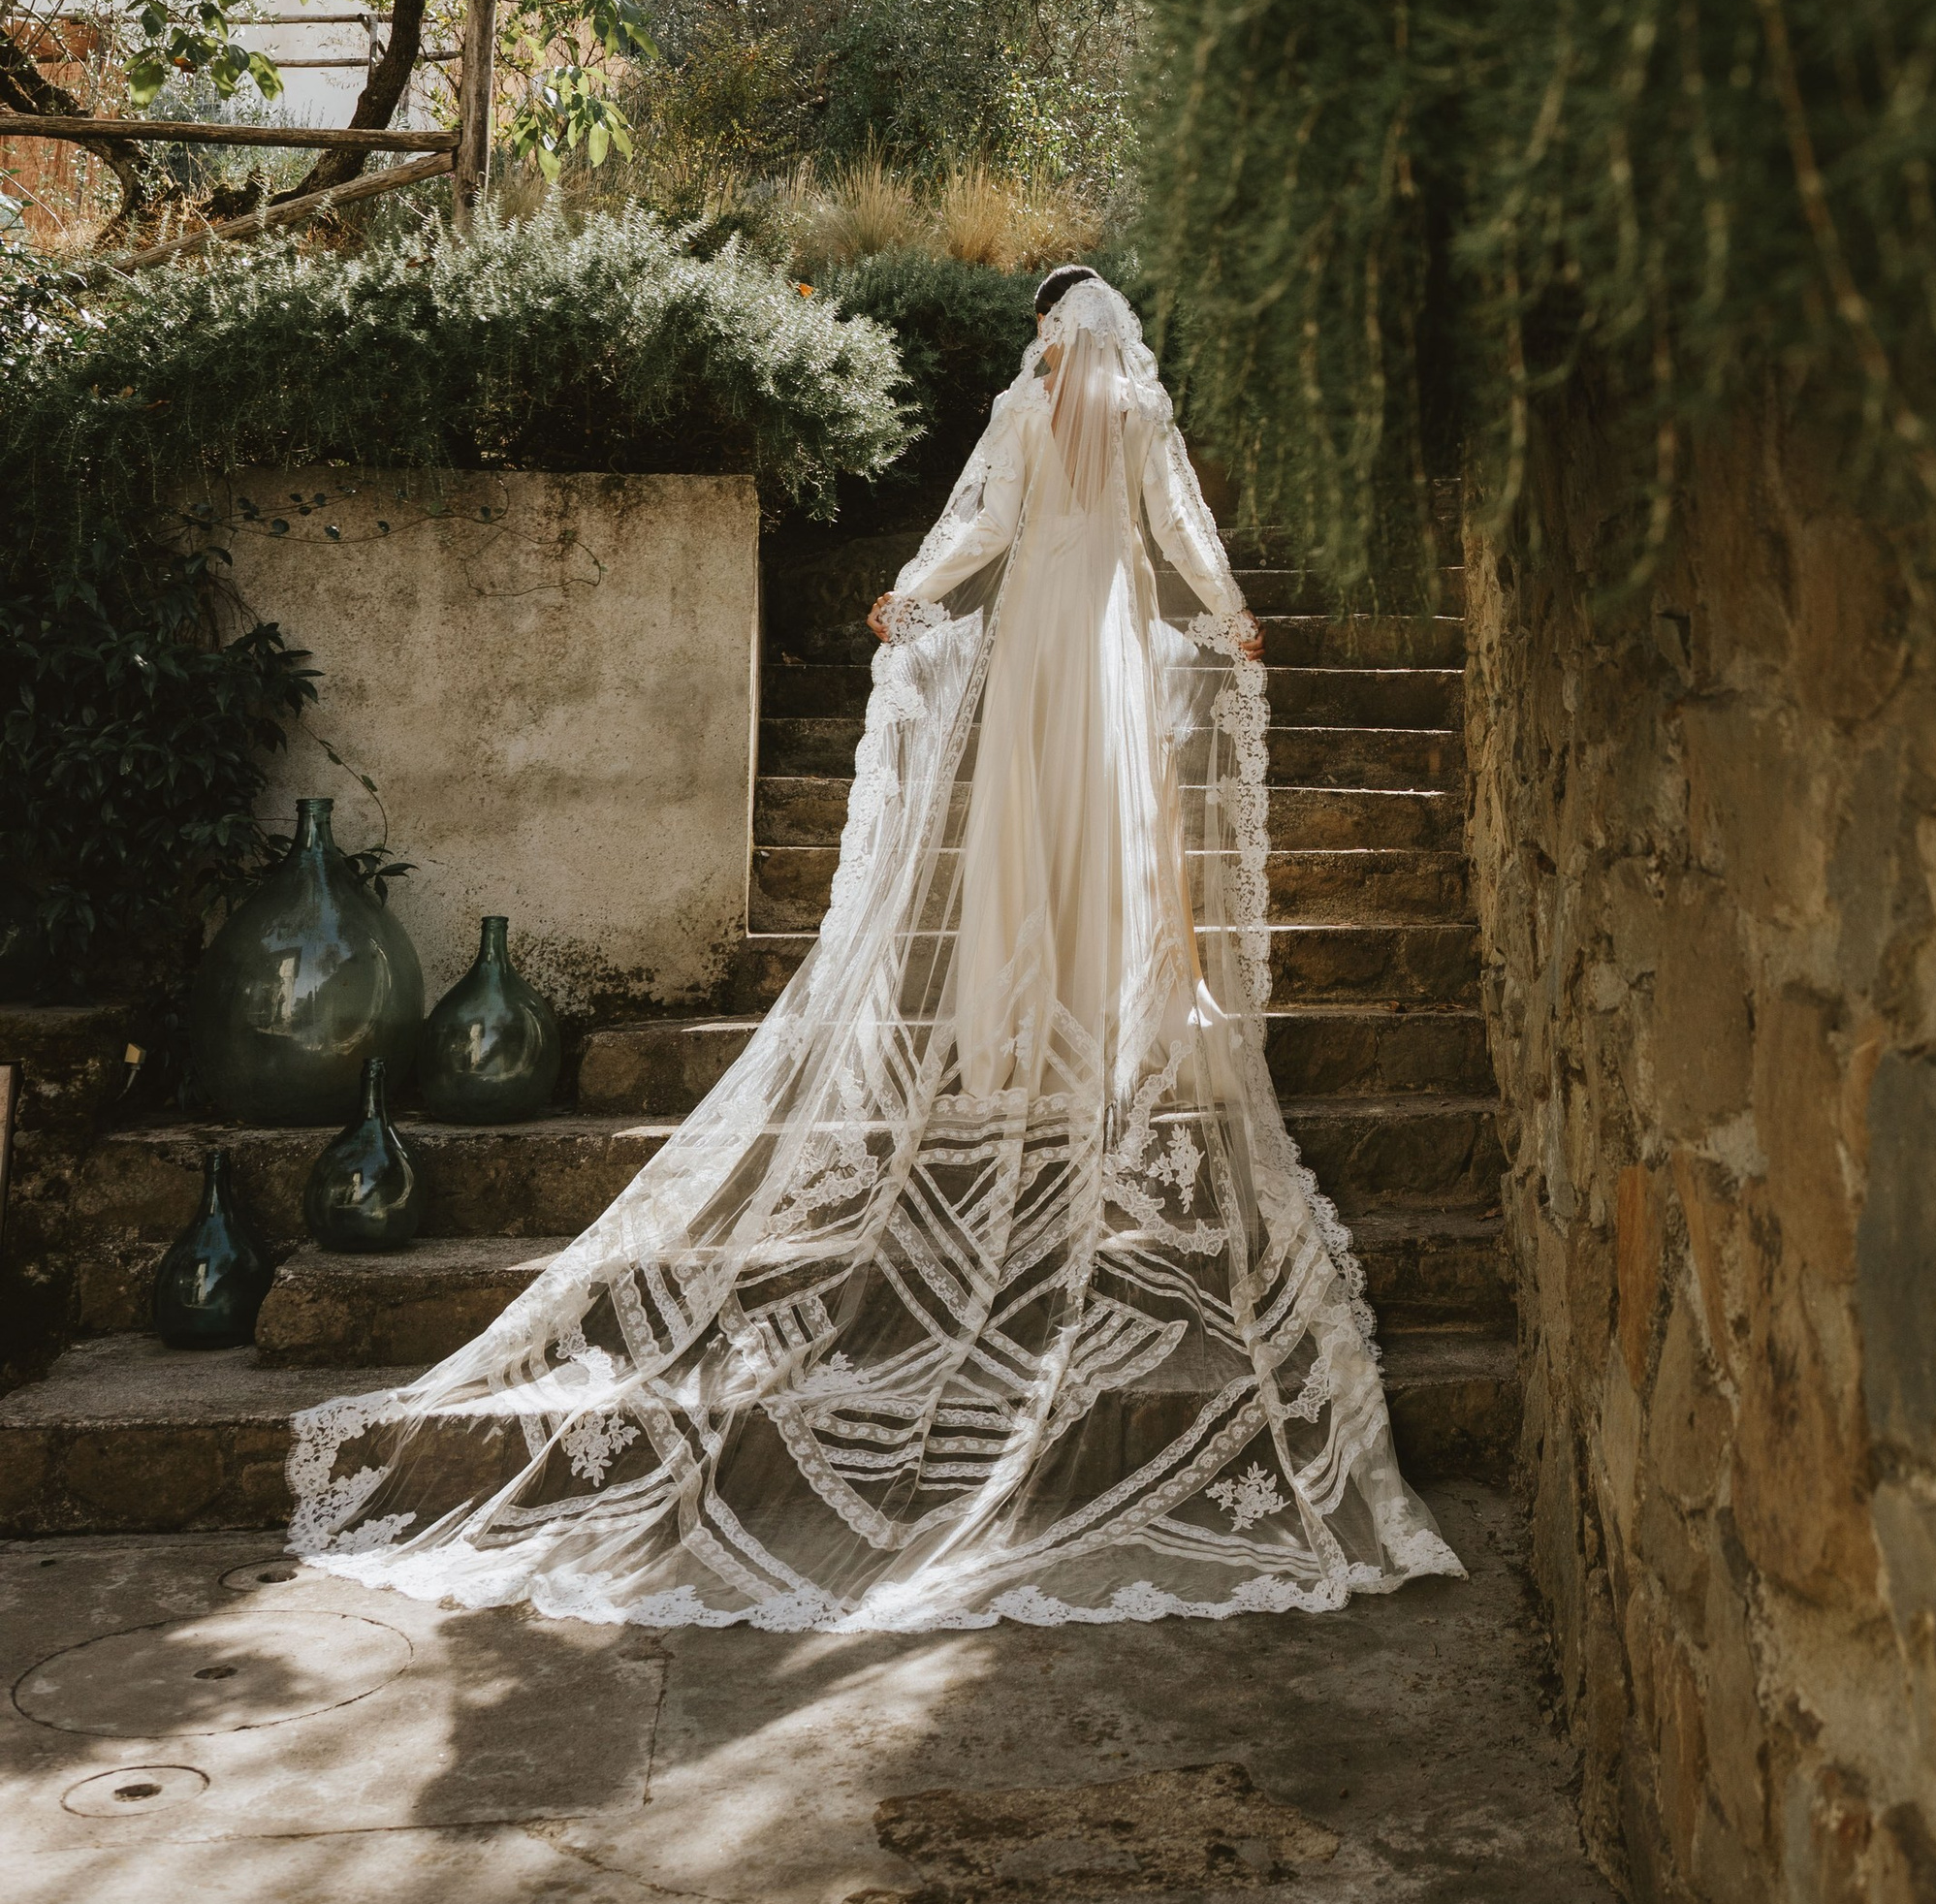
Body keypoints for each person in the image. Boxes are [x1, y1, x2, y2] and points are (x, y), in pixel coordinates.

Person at [290, 268, 1462, 1628]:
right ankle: (1104, 1027)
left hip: (1038, 637)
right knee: (1109, 834)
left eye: (1043, 329)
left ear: (1049, 330)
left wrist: (911, 593)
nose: (1045, 347)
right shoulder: (1139, 409)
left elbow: (990, 524)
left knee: (1028, 830)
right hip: (1106, 640)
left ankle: (1017, 1029)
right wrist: (1232, 610)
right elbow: (1181, 531)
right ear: (1119, 330)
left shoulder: (1032, 411)